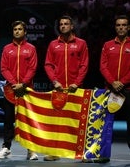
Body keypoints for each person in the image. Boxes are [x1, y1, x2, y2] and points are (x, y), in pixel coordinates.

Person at [44, 15, 89, 161]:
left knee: (77, 121)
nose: (63, 26)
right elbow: (48, 65)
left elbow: (84, 65)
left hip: (76, 88)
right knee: (56, 122)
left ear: (72, 26)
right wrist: (55, 81)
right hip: (58, 89)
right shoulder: (53, 45)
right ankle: (54, 152)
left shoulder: (81, 44)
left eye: (66, 24)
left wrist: (77, 82)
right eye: (61, 24)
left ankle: (80, 153)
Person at [0, 20, 39, 160]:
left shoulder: (31, 48)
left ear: (25, 32)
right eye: (15, 29)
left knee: (27, 121)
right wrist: (15, 83)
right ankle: (6, 148)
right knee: (8, 120)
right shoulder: (7, 49)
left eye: (20, 29)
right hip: (10, 90)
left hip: (26, 91)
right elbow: (3, 68)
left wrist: (23, 83)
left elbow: (33, 68)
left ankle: (31, 150)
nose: (17, 31)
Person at [100, 14, 130, 151]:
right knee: (106, 124)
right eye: (118, 25)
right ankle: (104, 153)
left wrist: (122, 82)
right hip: (110, 90)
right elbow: (103, 66)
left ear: (128, 27)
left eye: (124, 25)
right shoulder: (107, 45)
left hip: (128, 90)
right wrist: (113, 82)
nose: (121, 27)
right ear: (115, 27)